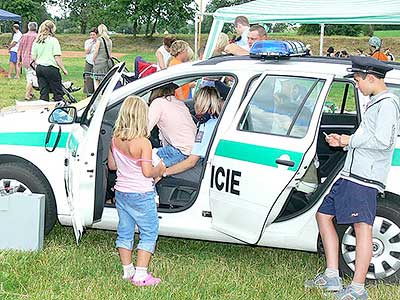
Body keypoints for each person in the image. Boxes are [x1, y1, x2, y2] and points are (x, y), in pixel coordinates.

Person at [305, 56, 400, 300]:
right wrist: (344, 144)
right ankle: (332, 275)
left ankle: (357, 289)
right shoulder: (377, 102)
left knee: (362, 228)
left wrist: (349, 140)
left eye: (358, 80)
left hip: (364, 178)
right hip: (352, 173)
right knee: (324, 215)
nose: (357, 85)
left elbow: (383, 141)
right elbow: (369, 138)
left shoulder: (387, 104)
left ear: (371, 78)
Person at [108, 95, 166, 286]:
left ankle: (127, 270)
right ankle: (141, 275)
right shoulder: (143, 142)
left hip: (122, 192)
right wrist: (161, 170)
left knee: (125, 231)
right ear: (143, 117)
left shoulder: (115, 138)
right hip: (141, 194)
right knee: (149, 232)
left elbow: (112, 166)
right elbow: (147, 171)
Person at [162, 86, 223, 181]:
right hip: (211, 165)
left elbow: (191, 162)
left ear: (200, 104)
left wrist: (164, 172)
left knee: (165, 171)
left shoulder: (206, 127)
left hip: (203, 169)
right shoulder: (216, 121)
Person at [149, 83, 196, 167]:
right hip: (193, 150)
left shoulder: (158, 103)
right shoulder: (178, 102)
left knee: (144, 160)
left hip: (181, 151)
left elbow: (145, 129)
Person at [31, 20, 68, 102]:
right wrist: (63, 69)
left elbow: (33, 57)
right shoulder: (53, 41)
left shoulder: (37, 41)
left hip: (39, 68)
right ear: (52, 30)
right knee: (57, 91)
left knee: (43, 91)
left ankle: (44, 107)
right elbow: (57, 57)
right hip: (51, 68)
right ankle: (58, 105)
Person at [17, 22, 38, 100]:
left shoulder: (23, 36)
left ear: (29, 27)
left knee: (29, 76)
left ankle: (31, 93)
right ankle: (27, 94)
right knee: (31, 78)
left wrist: (19, 60)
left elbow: (20, 49)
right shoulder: (37, 36)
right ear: (36, 28)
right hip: (33, 60)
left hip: (25, 59)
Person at [93, 24, 112, 89]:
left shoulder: (99, 40)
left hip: (99, 63)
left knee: (97, 80)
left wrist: (93, 59)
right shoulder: (109, 40)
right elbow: (110, 53)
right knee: (105, 80)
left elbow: (96, 52)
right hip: (106, 63)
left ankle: (97, 95)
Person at [83, 27, 98, 97]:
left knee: (96, 78)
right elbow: (87, 51)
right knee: (88, 78)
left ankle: (96, 93)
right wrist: (92, 44)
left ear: (97, 35)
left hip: (96, 63)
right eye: (91, 35)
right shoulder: (87, 42)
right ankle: (88, 93)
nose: (92, 36)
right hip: (89, 61)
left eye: (93, 35)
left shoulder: (99, 42)